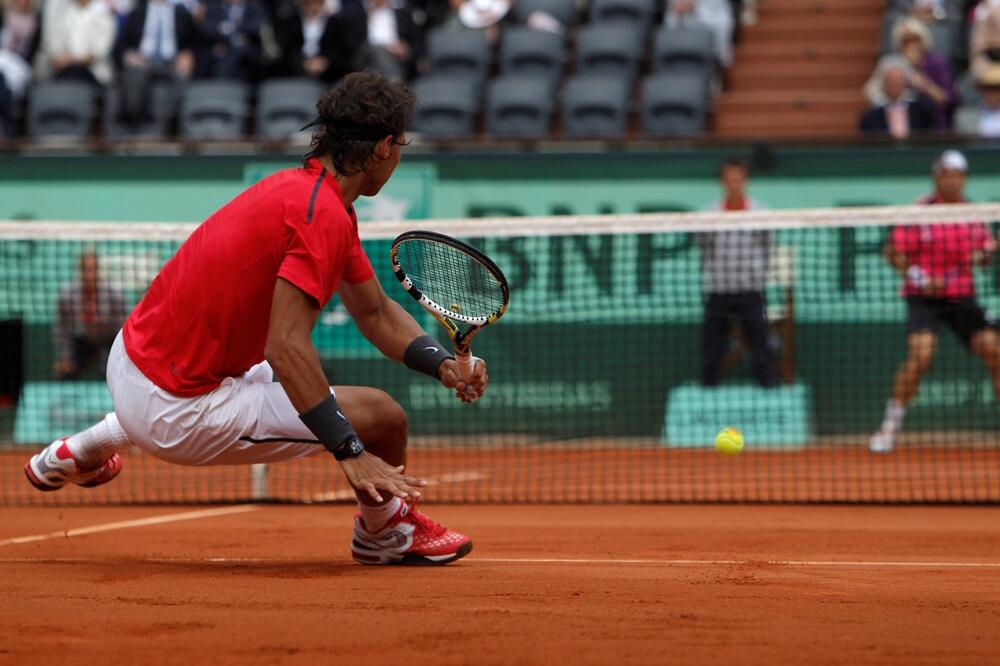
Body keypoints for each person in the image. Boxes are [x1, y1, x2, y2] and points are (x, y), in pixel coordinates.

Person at [24, 72, 485, 566]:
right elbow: (285, 348)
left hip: (134, 356)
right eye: (399, 148)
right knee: (383, 418)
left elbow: (373, 312)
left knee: (266, 371)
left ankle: (82, 448)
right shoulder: (321, 216)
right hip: (176, 408)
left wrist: (441, 365)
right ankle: (384, 532)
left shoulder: (308, 195)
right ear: (382, 149)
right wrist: (350, 450)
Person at [870, 150, 1000, 453]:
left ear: (964, 178)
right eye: (946, 174)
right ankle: (889, 428)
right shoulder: (921, 210)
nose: (952, 180)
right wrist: (920, 278)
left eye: (957, 174)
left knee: (995, 350)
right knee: (922, 356)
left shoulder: (972, 214)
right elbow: (892, 252)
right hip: (923, 297)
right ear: (936, 176)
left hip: (961, 297)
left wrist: (987, 254)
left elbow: (979, 260)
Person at [698, 157, 777, 389]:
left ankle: (769, 387)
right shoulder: (708, 214)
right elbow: (704, 247)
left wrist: (757, 275)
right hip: (719, 290)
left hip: (750, 290)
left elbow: (766, 246)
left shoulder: (761, 212)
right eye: (729, 179)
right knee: (712, 345)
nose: (733, 184)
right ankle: (708, 388)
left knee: (760, 343)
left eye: (738, 179)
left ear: (745, 181)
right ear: (722, 182)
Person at [113, 0, 197, 128]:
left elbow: (195, 42)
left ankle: (173, 126)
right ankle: (134, 123)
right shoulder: (136, 13)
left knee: (182, 75)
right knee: (135, 73)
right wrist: (129, 55)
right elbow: (120, 45)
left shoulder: (182, 14)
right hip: (143, 61)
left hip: (172, 62)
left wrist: (188, 54)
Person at [864, 17, 955, 129]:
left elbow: (948, 100)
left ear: (923, 39)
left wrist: (923, 83)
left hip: (932, 124)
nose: (911, 45)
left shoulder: (936, 63)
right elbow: (871, 92)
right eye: (905, 41)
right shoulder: (891, 63)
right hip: (897, 122)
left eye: (915, 39)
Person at [52, 249, 129, 381]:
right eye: (85, 269)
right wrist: (64, 357)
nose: (89, 275)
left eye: (92, 269)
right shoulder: (67, 294)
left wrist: (120, 356)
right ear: (80, 270)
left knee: (117, 375)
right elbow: (61, 327)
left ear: (98, 270)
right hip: (81, 341)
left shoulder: (114, 293)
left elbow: (123, 325)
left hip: (109, 340)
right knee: (64, 374)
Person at [36, 0, 116, 85]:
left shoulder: (103, 12)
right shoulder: (62, 11)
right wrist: (61, 58)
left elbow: (99, 51)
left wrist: (73, 60)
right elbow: (54, 46)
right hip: (62, 70)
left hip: (94, 72)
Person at [859, 58, 937, 138]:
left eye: (898, 81)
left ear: (905, 83)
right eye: (891, 82)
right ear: (883, 84)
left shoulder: (922, 112)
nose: (895, 86)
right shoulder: (870, 116)